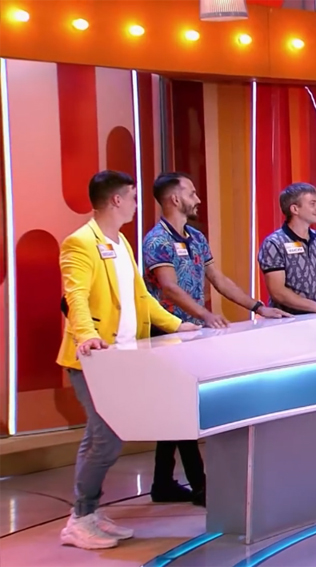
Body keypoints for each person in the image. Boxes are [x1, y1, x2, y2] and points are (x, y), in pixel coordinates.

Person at [56, 170, 200, 550]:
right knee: (106, 436)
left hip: (122, 358)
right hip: (92, 358)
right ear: (116, 200)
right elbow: (75, 296)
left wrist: (176, 324)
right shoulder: (80, 243)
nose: (138, 205)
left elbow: (142, 298)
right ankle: (79, 518)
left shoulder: (121, 242)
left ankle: (87, 512)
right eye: (133, 198)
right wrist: (86, 334)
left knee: (103, 435)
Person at [142, 172, 290, 507]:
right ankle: (201, 485)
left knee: (176, 408)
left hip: (194, 334)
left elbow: (218, 279)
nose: (198, 199)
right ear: (175, 199)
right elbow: (169, 288)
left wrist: (257, 307)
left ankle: (162, 483)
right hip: (167, 333)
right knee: (180, 408)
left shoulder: (195, 237)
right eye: (192, 193)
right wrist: (206, 315)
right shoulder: (157, 241)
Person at [257, 182, 316, 314]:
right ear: (295, 209)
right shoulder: (274, 243)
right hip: (289, 321)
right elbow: (278, 292)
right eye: (313, 204)